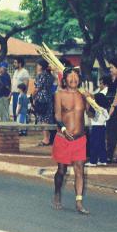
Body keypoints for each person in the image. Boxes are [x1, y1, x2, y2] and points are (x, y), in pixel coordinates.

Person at [52, 68, 89, 215]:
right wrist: (63, 130)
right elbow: (57, 116)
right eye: (70, 77)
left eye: (76, 77)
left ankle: (79, 202)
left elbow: (91, 113)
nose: (74, 79)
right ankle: (57, 193)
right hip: (63, 138)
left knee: (79, 169)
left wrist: (90, 100)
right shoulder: (59, 94)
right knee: (62, 170)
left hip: (80, 139)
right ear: (65, 79)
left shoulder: (82, 95)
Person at [33, 59, 55, 145]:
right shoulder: (50, 76)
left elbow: (37, 88)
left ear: (41, 66)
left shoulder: (41, 75)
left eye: (38, 65)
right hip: (49, 98)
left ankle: (46, 139)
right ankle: (49, 138)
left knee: (43, 119)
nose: (37, 66)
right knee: (48, 118)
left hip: (41, 99)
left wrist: (33, 97)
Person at [85, 93, 110, 167]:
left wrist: (87, 107)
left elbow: (90, 115)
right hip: (102, 127)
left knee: (94, 144)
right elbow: (107, 117)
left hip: (96, 128)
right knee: (101, 144)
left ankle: (93, 161)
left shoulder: (95, 107)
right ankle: (103, 160)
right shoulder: (104, 108)